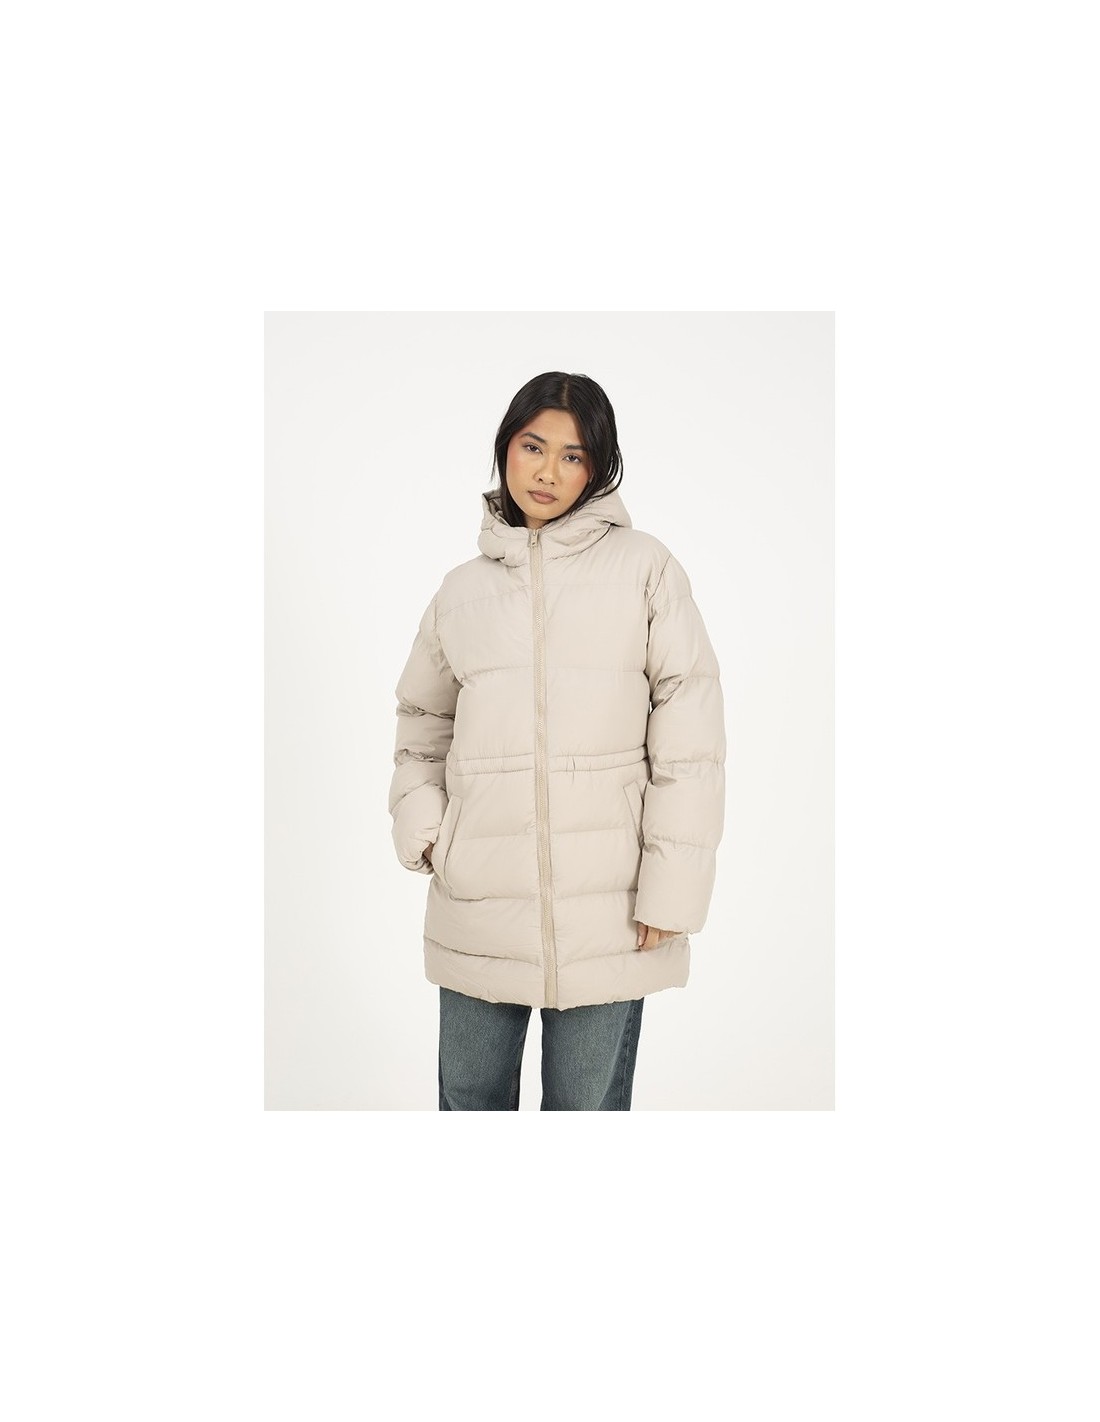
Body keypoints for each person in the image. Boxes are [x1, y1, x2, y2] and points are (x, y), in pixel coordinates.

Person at [388, 372, 726, 1110]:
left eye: (573, 456)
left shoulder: (645, 570)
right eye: (533, 446)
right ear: (505, 448)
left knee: (586, 1110)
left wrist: (672, 887)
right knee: (470, 1103)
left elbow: (691, 734)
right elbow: (422, 722)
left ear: (600, 466)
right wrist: (430, 829)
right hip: (478, 899)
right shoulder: (460, 593)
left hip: (613, 909)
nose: (547, 472)